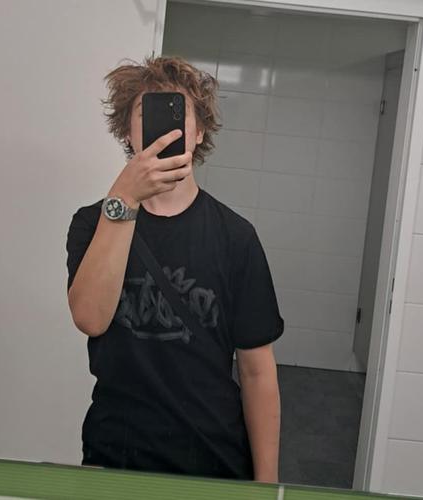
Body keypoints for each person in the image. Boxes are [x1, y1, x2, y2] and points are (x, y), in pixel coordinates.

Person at [65, 55, 285, 482]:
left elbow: (257, 371)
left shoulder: (236, 237)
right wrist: (124, 198)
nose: (164, 128)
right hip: (114, 454)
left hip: (212, 458)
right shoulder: (92, 223)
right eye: (146, 114)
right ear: (127, 131)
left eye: (178, 113)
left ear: (199, 131)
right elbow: (90, 318)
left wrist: (267, 485)